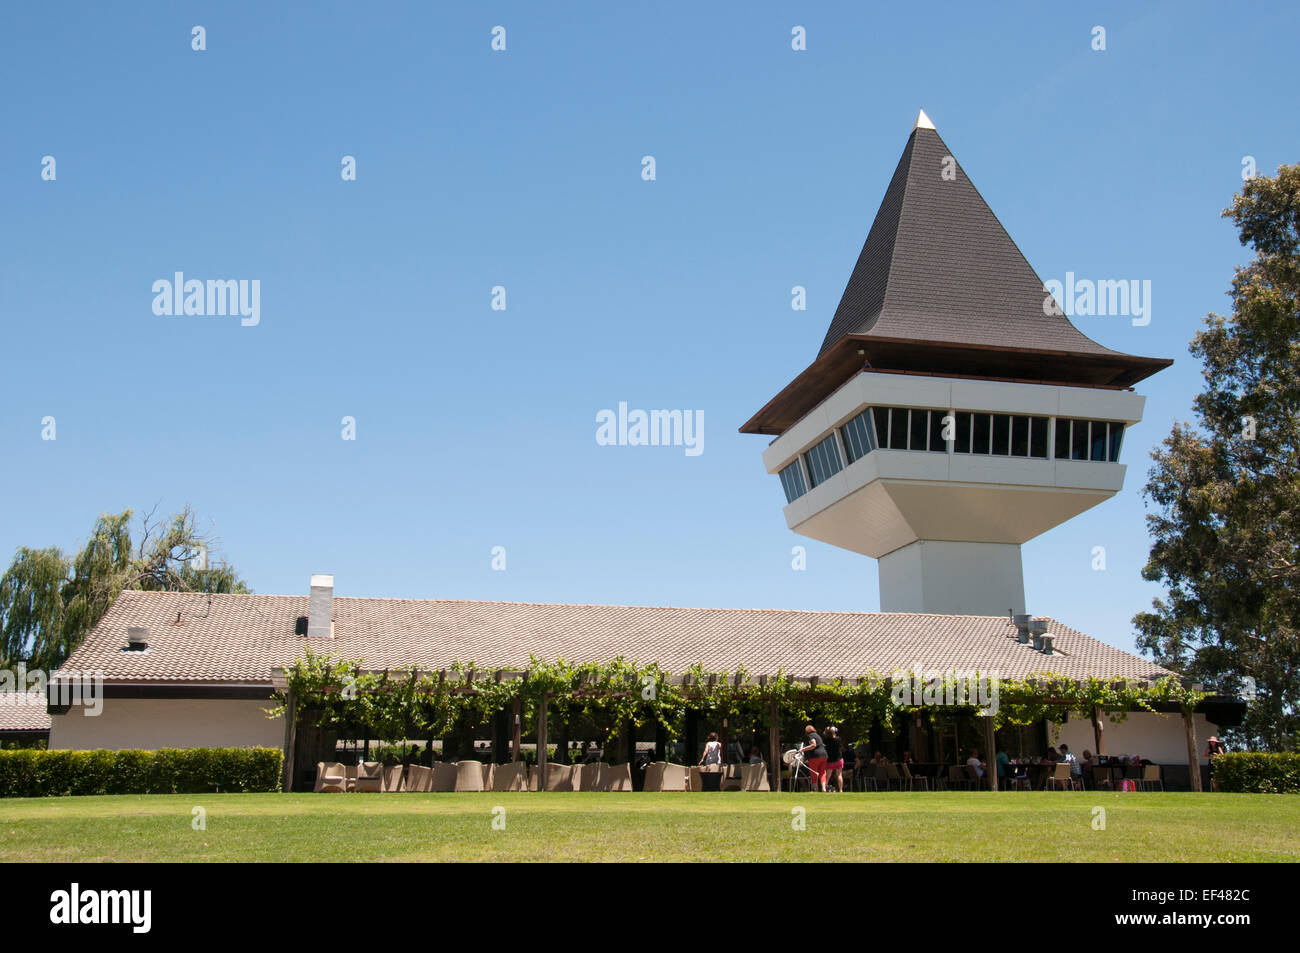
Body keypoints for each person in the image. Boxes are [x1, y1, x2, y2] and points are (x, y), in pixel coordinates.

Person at [799, 725, 828, 792]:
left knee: (813, 773)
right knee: (822, 772)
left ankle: (816, 789)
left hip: (815, 756)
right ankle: (824, 788)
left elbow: (813, 745)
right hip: (824, 755)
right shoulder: (818, 735)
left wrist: (803, 749)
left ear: (807, 731)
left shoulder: (810, 736)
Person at [823, 726, 845, 793]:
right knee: (839, 775)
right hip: (838, 759)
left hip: (830, 760)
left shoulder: (826, 741)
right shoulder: (838, 739)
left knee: (828, 775)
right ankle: (841, 790)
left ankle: (824, 788)